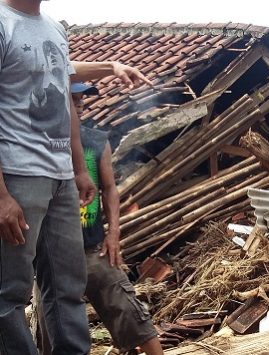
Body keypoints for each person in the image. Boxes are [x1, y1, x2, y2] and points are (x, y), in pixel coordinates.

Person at [0, 1, 151, 353]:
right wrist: (1, 195)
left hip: (60, 177)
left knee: (67, 285)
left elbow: (64, 85)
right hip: (18, 175)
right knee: (9, 291)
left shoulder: (53, 26)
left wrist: (79, 169)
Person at [35, 83, 163, 355]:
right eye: (73, 98)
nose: (79, 103)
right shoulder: (41, 141)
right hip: (52, 254)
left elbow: (109, 188)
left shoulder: (95, 140)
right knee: (52, 334)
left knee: (132, 315)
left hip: (93, 248)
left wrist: (113, 233)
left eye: (82, 98)